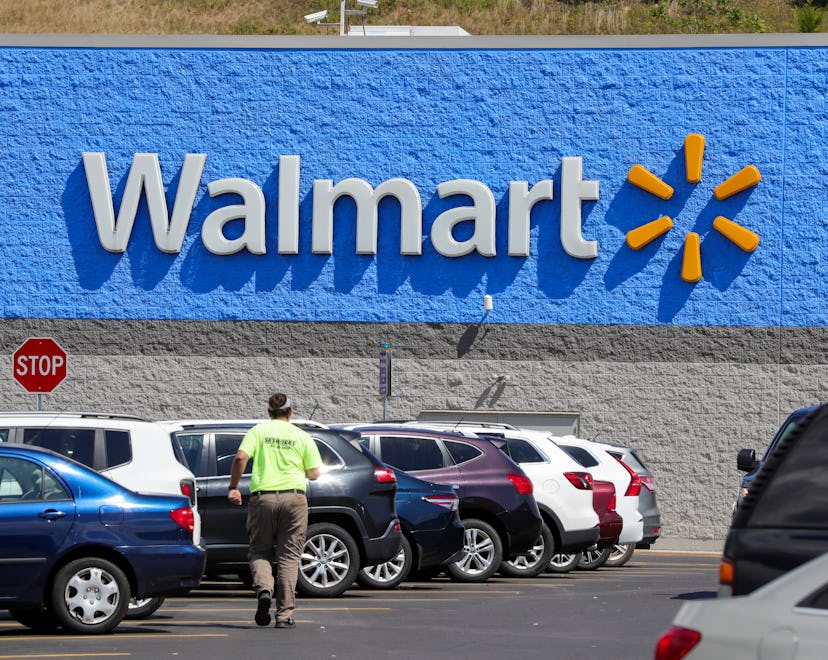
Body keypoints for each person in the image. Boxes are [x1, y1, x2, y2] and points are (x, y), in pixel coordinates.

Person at [227, 393, 322, 629]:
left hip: (263, 498)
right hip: (294, 498)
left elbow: (240, 457)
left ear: (268, 412)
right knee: (289, 557)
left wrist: (233, 487)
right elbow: (315, 473)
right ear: (290, 412)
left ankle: (264, 591)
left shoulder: (258, 431)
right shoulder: (301, 436)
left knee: (260, 551)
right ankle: (284, 615)